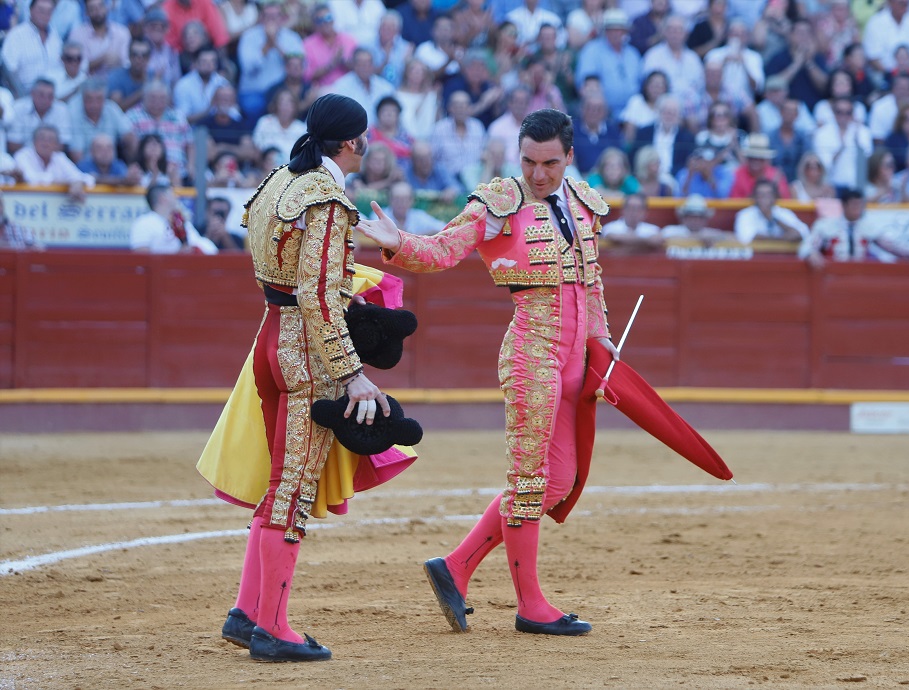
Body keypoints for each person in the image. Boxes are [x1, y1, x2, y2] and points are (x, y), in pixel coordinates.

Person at [356, 108, 620, 637]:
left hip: (574, 360)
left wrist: (603, 343)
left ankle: (454, 567)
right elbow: (441, 251)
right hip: (531, 356)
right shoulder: (499, 203)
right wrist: (396, 239)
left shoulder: (583, 202)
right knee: (528, 481)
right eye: (528, 161)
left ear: (569, 157)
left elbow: (591, 285)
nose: (538, 173)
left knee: (558, 481)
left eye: (549, 163)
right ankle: (531, 605)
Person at [211, 95, 392, 662]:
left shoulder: (276, 184)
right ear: (352, 143)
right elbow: (317, 295)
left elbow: (283, 277)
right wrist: (353, 373)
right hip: (304, 355)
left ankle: (248, 612)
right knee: (291, 490)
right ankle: (275, 628)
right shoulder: (329, 201)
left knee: (279, 482)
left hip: (271, 333)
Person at [800, 187, 909, 268]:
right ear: (844, 206)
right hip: (830, 277)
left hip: (859, 278)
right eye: (854, 204)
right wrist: (811, 253)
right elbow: (809, 244)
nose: (858, 208)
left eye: (860, 204)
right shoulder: (826, 225)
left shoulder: (867, 227)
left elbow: (891, 246)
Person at [13, 125, 95, 202]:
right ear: (34, 142)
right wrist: (67, 182)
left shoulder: (59, 157)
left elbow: (84, 178)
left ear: (57, 145)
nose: (45, 143)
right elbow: (30, 178)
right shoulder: (22, 155)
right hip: (27, 202)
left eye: (50, 140)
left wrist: (77, 182)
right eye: (42, 139)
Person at [130, 183, 218, 254]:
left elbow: (196, 242)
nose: (176, 197)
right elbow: (141, 256)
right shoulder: (144, 222)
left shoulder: (181, 221)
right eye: (172, 194)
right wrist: (176, 256)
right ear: (163, 198)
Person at [733, 178, 807, 245]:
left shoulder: (784, 213)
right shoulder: (744, 215)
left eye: (768, 195)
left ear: (774, 197)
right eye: (761, 195)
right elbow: (746, 238)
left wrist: (775, 220)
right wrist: (784, 238)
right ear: (754, 197)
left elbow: (802, 233)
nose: (764, 199)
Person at [727, 133, 790, 199]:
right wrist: (770, 186)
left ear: (766, 159)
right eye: (752, 157)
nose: (756, 161)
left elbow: (785, 201)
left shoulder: (775, 174)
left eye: (760, 158)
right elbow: (735, 204)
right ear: (748, 158)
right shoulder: (737, 175)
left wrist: (775, 189)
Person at [660, 193, 731, 244]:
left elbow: (732, 237)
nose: (695, 221)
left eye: (699, 217)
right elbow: (662, 239)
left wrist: (716, 237)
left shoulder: (709, 233)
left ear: (705, 219)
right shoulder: (671, 230)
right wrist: (698, 237)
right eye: (691, 216)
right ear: (684, 218)